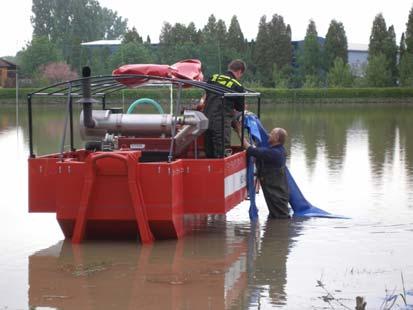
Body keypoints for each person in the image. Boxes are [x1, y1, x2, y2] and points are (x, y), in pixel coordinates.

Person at [242, 127, 290, 219]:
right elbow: (259, 152)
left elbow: (250, 149)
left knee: (280, 218)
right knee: (277, 217)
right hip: (278, 193)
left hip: (277, 195)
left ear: (276, 138)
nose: (268, 135)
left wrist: (239, 132)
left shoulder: (274, 153)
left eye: (271, 134)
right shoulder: (279, 151)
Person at [203, 59, 246, 158]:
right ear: (239, 71)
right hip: (221, 124)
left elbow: (207, 94)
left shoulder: (213, 78)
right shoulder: (238, 86)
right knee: (221, 154)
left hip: (206, 120)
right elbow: (240, 108)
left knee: (209, 152)